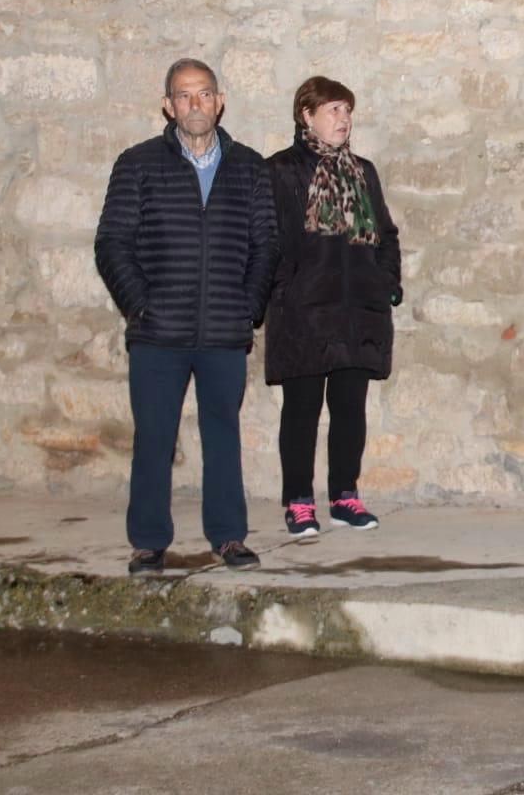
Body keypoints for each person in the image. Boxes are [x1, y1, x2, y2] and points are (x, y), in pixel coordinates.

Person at [95, 58, 277, 576]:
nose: (195, 105)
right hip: (158, 333)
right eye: (183, 95)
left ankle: (228, 537)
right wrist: (139, 304)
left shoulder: (250, 167)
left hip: (223, 329)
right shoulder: (138, 164)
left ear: (219, 102)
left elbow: (267, 244)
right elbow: (111, 243)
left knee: (223, 434)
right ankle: (149, 542)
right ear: (167, 105)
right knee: (153, 437)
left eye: (204, 95)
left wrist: (249, 306)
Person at [264, 77, 402, 539]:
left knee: (350, 409)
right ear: (307, 115)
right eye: (333, 110)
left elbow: (386, 235)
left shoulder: (363, 171)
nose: (343, 119)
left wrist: (386, 286)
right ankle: (298, 501)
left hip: (357, 311)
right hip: (303, 312)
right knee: (301, 412)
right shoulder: (282, 171)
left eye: (347, 111)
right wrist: (283, 293)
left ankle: (345, 496)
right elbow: (267, 241)